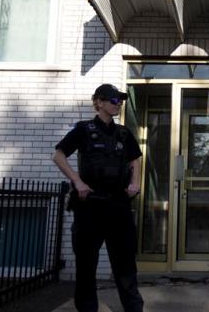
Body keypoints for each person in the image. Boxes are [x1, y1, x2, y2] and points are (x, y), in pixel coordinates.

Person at [52, 83, 144, 312]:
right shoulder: (84, 129)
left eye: (120, 100)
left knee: (125, 265)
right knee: (86, 265)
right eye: (114, 100)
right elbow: (59, 155)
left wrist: (136, 183)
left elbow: (135, 159)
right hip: (90, 206)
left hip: (118, 205)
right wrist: (77, 181)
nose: (118, 104)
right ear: (99, 102)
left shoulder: (123, 132)